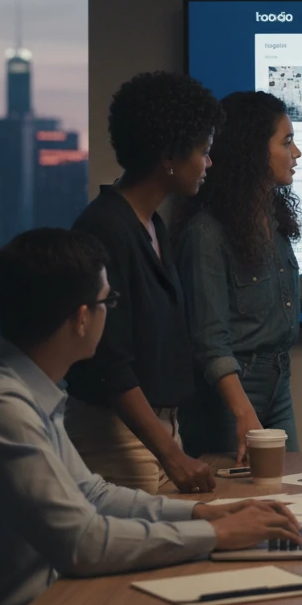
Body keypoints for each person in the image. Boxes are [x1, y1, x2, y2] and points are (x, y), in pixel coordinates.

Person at [0, 229, 302, 605]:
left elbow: (94, 496)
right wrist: (220, 536)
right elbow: (82, 544)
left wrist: (205, 516)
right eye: (108, 302)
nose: (110, 314)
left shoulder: (21, 388)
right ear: (82, 317)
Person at [176, 91, 302, 458]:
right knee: (239, 500)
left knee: (288, 490)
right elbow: (209, 340)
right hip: (231, 397)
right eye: (287, 142)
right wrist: (242, 412)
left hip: (277, 383)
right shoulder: (207, 234)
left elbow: (285, 300)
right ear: (253, 151)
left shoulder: (270, 218)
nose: (297, 153)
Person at [65, 71, 230, 494]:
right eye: (204, 151)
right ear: (169, 155)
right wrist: (171, 455)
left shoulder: (152, 225)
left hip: (157, 437)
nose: (208, 163)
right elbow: (108, 364)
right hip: (119, 440)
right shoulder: (105, 229)